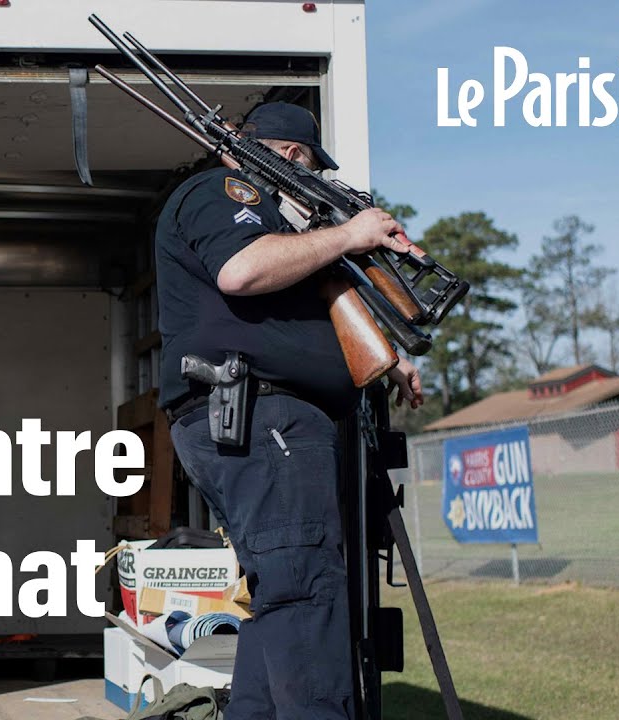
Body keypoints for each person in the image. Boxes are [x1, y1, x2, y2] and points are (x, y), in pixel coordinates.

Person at [156, 102, 424, 720]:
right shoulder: (226, 191)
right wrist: (350, 234)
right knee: (306, 591)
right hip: (263, 417)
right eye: (308, 167)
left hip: (262, 421)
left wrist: (386, 361)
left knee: (282, 595)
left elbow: (305, 313)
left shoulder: (281, 231)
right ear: (293, 156)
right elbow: (241, 271)